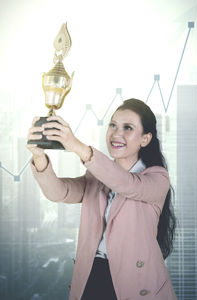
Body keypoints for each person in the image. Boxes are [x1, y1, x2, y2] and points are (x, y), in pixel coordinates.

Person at [27, 98, 177, 300]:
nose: (117, 133)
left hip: (134, 279)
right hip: (92, 274)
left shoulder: (157, 178)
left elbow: (126, 184)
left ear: (145, 139)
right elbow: (59, 192)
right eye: (113, 125)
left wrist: (76, 145)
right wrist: (39, 156)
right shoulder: (96, 175)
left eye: (128, 128)